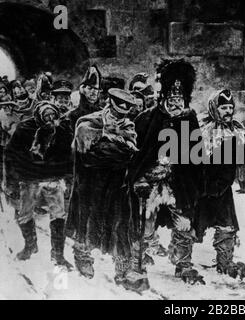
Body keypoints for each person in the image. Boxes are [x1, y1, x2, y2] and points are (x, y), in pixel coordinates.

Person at [127, 60, 204, 284]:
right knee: (144, 223)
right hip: (149, 182)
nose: (175, 103)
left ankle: (183, 264)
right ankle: (136, 264)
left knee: (184, 223)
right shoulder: (147, 119)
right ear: (164, 98)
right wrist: (142, 176)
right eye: (171, 99)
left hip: (178, 184)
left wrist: (192, 181)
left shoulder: (189, 119)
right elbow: (137, 154)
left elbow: (196, 155)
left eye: (180, 99)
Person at [66, 88, 148, 293]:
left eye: (124, 113)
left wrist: (107, 147)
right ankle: (83, 256)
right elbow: (87, 155)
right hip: (91, 183)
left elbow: (129, 154)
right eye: (117, 112)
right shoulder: (88, 122)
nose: (120, 118)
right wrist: (112, 150)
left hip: (117, 184)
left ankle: (123, 268)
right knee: (87, 219)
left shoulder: (129, 126)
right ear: (109, 105)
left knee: (121, 224)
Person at [4, 101, 74, 269]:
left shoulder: (63, 130)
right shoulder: (25, 128)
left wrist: (70, 179)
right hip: (29, 178)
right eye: (46, 116)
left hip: (52, 178)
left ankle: (58, 254)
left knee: (58, 215)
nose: (50, 119)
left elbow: (69, 156)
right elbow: (11, 155)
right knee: (25, 214)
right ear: (39, 116)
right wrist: (11, 182)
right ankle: (30, 245)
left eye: (53, 115)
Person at [197, 89, 245, 280]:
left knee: (227, 225)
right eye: (223, 107)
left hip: (224, 186)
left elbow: (243, 156)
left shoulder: (236, 129)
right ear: (214, 108)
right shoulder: (203, 129)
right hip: (203, 186)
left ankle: (225, 261)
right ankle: (182, 261)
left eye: (230, 107)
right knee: (192, 224)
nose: (228, 111)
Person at [66, 65, 102, 130]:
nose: (93, 92)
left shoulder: (102, 113)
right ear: (83, 90)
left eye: (96, 89)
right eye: (90, 88)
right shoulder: (73, 115)